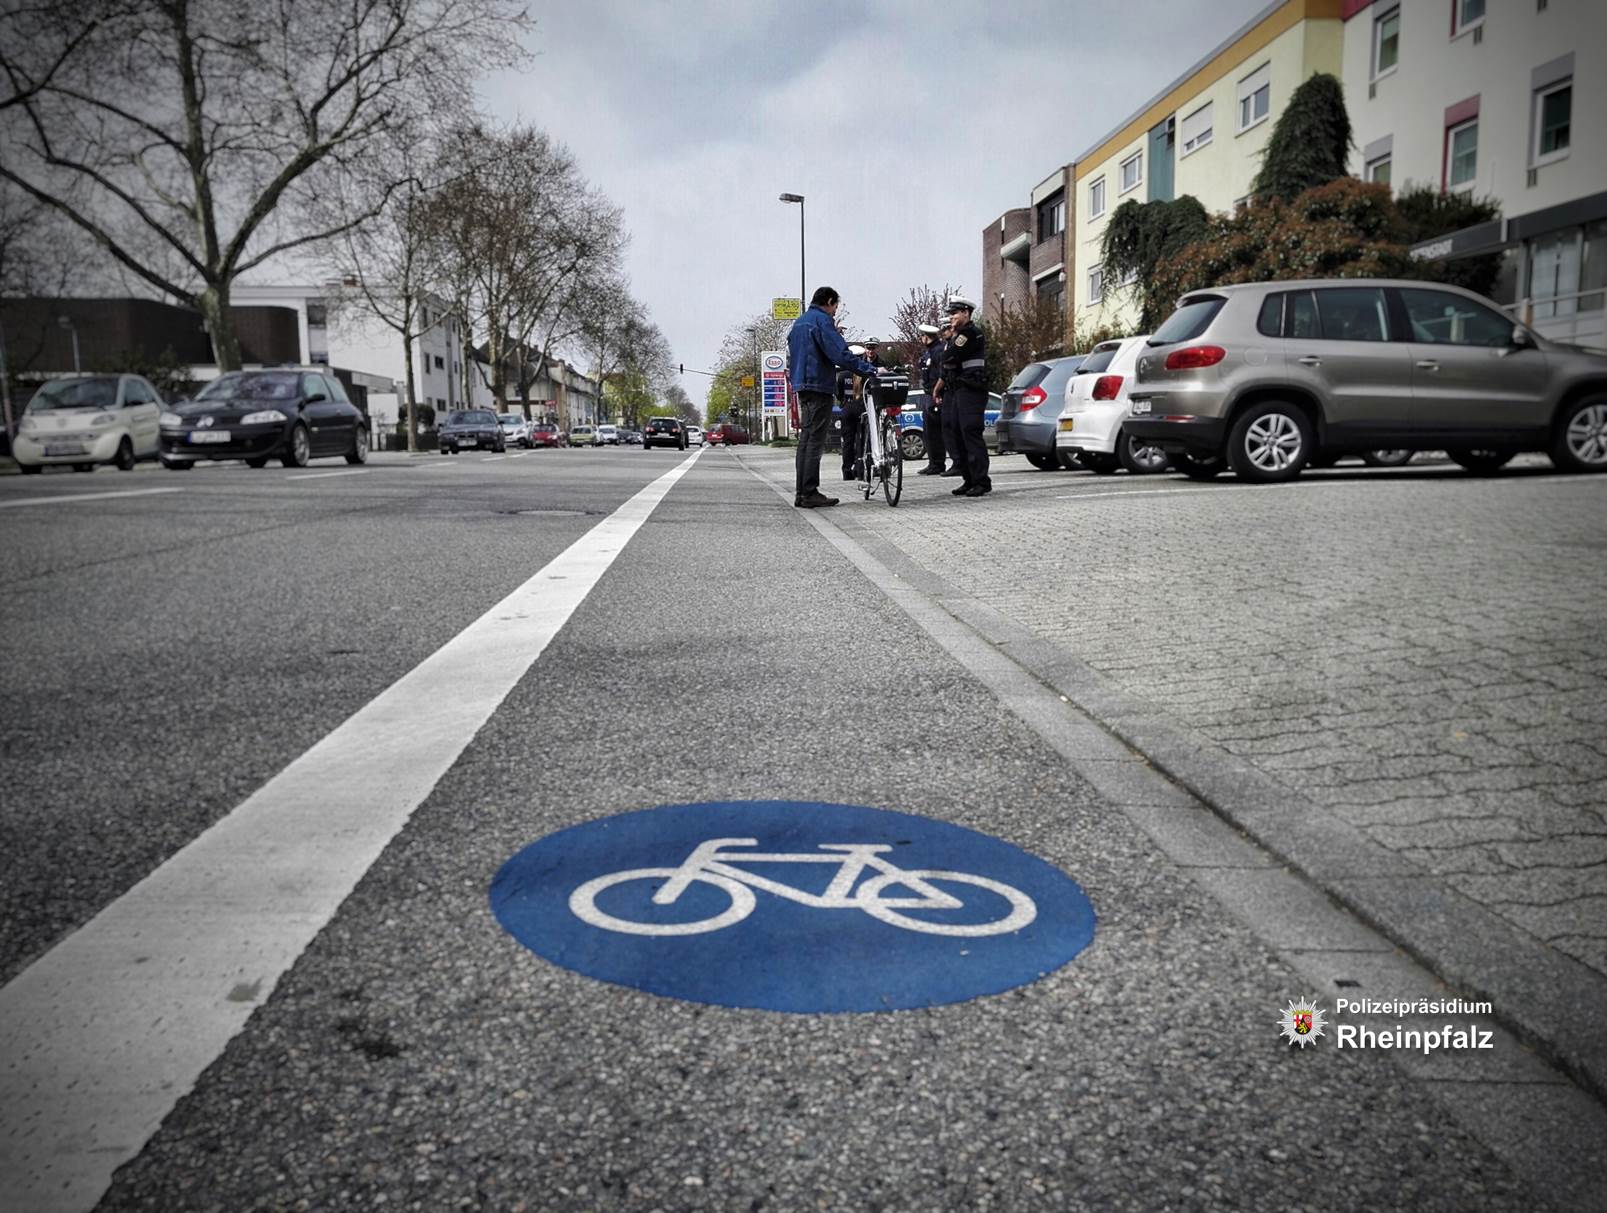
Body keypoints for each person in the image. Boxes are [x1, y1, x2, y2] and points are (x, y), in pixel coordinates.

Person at [786, 286, 879, 508]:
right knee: (815, 440)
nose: (835, 311)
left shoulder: (799, 323)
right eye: (835, 306)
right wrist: (869, 370)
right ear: (828, 301)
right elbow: (840, 354)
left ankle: (801, 492)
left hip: (803, 384)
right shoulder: (821, 321)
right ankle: (809, 492)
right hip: (819, 385)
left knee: (806, 440)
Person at [935, 295, 990, 497]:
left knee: (970, 432)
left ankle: (982, 481)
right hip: (960, 389)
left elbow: (949, 357)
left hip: (972, 389)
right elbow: (946, 360)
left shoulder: (970, 334)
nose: (951, 317)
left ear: (966, 313)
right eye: (950, 314)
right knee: (958, 434)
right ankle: (969, 479)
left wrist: (949, 360)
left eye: (955, 313)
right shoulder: (957, 336)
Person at [841, 337, 883, 480]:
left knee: (847, 441)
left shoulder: (842, 374)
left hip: (847, 408)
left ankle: (847, 471)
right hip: (862, 407)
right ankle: (861, 469)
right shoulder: (865, 373)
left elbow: (838, 392)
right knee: (863, 439)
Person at [915, 323, 946, 475]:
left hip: (935, 394)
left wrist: (937, 392)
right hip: (928, 393)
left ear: (927, 337)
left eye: (922, 335)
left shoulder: (938, 351)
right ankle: (933, 462)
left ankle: (938, 463)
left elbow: (941, 374)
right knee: (929, 432)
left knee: (935, 432)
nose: (921, 338)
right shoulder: (929, 352)